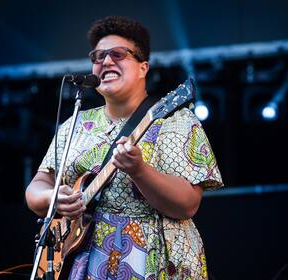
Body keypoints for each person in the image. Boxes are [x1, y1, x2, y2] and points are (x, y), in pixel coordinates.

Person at [25, 15, 223, 280]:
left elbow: (187, 204)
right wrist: (52, 199)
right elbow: (37, 186)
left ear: (143, 67)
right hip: (82, 262)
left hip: (153, 257)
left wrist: (139, 170)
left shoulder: (174, 121)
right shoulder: (76, 124)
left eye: (118, 54)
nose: (106, 61)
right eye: (98, 56)